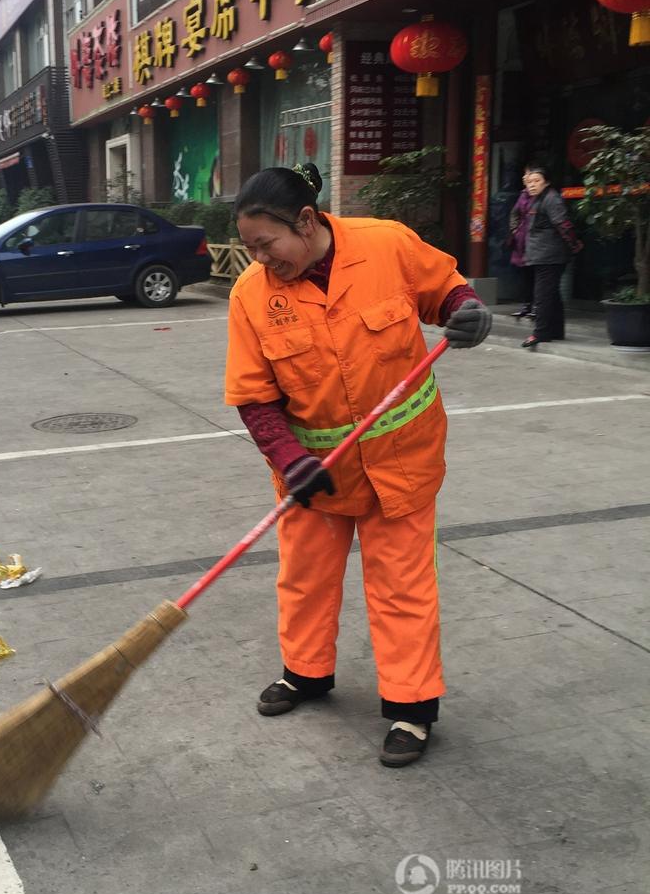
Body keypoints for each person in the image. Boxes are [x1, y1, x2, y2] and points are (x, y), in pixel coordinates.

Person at [225, 163, 492, 768]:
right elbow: (253, 394)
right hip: (313, 473)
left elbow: (445, 288)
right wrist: (290, 459)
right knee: (305, 578)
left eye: (268, 245)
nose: (263, 260)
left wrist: (468, 309)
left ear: (308, 221)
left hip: (403, 460)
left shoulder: (385, 244)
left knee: (402, 586)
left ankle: (412, 708)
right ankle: (306, 674)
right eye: (251, 250)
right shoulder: (251, 296)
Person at [520, 167, 583, 350]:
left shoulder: (551, 199)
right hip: (542, 255)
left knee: (543, 295)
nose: (532, 185)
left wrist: (574, 244)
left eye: (536, 181)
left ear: (546, 182)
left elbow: (563, 224)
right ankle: (555, 330)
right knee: (552, 293)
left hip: (550, 256)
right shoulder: (537, 198)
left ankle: (540, 332)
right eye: (529, 182)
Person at [508, 174, 535, 319]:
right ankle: (526, 305)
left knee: (537, 276)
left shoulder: (543, 197)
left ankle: (536, 306)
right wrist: (515, 229)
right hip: (522, 241)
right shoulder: (523, 195)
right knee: (525, 275)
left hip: (536, 242)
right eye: (525, 176)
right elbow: (514, 213)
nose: (527, 179)